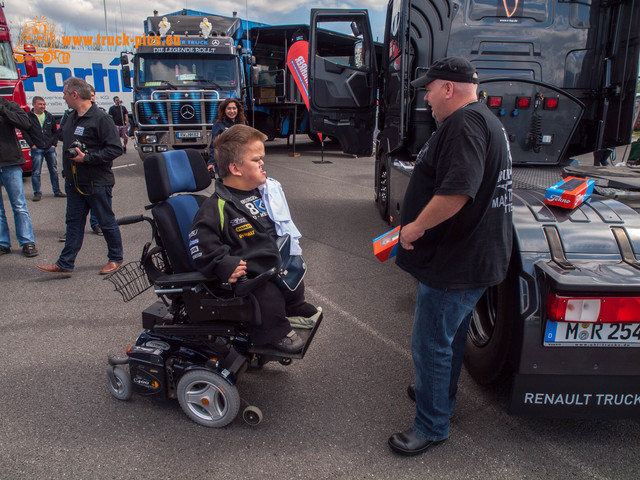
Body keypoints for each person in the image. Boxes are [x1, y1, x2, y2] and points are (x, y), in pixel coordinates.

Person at [387, 57, 513, 456]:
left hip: (457, 260)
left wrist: (415, 227)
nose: (426, 98)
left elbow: (459, 190)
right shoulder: (482, 119)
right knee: (450, 336)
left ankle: (431, 425)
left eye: (429, 89)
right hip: (472, 256)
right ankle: (437, 395)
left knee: (431, 344)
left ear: (448, 89)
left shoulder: (463, 123)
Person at [189, 124, 320, 353]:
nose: (262, 164)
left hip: (272, 260)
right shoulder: (216, 207)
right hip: (249, 273)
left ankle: (294, 306)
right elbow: (200, 244)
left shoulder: (262, 193)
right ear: (236, 168)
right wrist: (225, 264)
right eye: (256, 159)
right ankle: (274, 332)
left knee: (294, 278)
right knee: (267, 295)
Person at [36, 77, 123, 275]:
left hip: (97, 182)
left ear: (75, 94)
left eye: (65, 94)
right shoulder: (71, 117)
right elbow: (60, 139)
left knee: (106, 221)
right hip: (74, 182)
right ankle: (65, 263)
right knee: (73, 223)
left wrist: (88, 158)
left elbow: (115, 149)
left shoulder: (101, 119)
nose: (64, 98)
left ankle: (116, 258)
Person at [0, 97, 38, 257]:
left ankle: (27, 241)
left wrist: (2, 109)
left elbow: (25, 123)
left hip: (11, 162)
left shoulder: (9, 105)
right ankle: (3, 243)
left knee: (19, 205)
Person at [21, 96, 65, 201]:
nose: (42, 106)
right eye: (40, 104)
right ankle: (37, 193)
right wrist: (32, 145)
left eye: (44, 104)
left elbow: (55, 132)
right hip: (37, 149)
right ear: (34, 105)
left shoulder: (49, 116)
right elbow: (25, 132)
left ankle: (57, 191)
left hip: (50, 148)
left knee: (54, 170)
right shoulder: (28, 116)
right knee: (36, 172)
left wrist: (54, 144)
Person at [207, 98, 246, 177]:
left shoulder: (242, 123)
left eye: (234, 108)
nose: (232, 111)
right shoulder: (219, 124)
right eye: (229, 108)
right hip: (224, 162)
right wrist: (211, 163)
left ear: (238, 110)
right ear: (224, 110)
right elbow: (214, 145)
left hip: (239, 160)